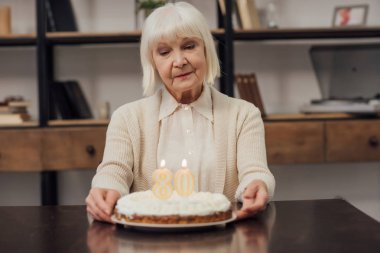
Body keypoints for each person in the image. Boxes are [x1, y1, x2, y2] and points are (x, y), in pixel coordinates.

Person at [85, 2, 275, 223]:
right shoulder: (126, 118)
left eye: (189, 46)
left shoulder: (244, 114)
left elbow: (255, 171)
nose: (179, 61)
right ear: (153, 62)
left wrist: (258, 185)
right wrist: (105, 189)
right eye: (164, 52)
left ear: (206, 49)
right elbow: (113, 171)